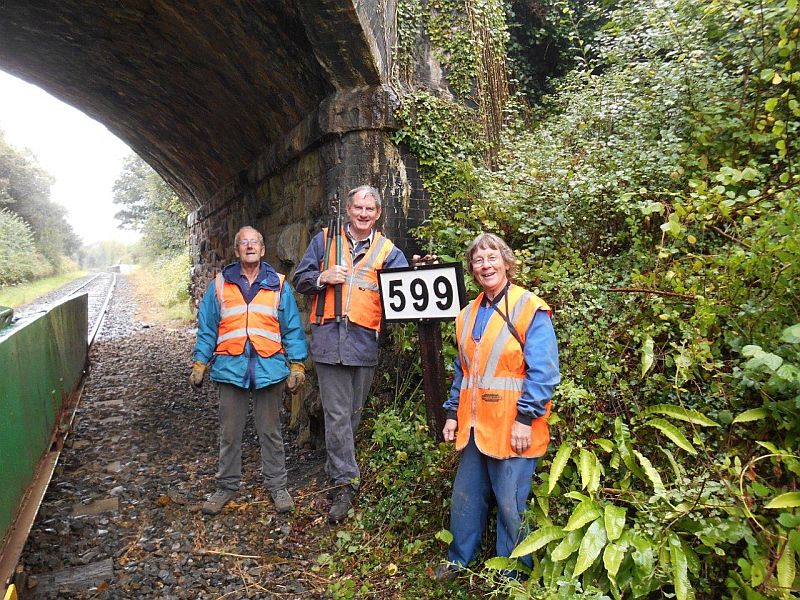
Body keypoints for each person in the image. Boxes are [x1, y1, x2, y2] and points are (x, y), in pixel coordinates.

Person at [293, 185, 434, 524]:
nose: (364, 214)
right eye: (358, 207)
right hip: (329, 341)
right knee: (338, 414)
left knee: (352, 413)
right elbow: (300, 279)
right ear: (349, 210)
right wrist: (321, 277)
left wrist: (418, 269)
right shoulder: (325, 241)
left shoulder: (387, 250)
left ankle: (336, 465)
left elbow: (403, 288)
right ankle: (345, 484)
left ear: (378, 214)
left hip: (362, 342)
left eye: (370, 209)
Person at [437, 232, 560, 580]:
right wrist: (451, 413)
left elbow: (546, 372)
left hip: (514, 429)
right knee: (465, 499)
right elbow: (464, 372)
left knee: (511, 506)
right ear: (471, 270)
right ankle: (458, 559)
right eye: (478, 260)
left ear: (507, 263)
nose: (485, 265)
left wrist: (525, 418)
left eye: (492, 258)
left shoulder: (528, 307)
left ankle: (512, 576)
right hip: (475, 429)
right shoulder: (466, 314)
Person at [189, 225, 308, 516]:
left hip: (269, 368)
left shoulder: (279, 284)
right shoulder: (219, 285)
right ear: (237, 250)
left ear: (263, 249)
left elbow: (291, 327)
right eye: (244, 243)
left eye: (255, 242)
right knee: (229, 433)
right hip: (231, 368)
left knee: (270, 431)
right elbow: (207, 328)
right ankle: (226, 486)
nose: (250, 246)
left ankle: (278, 486)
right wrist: (200, 362)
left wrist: (296, 363)